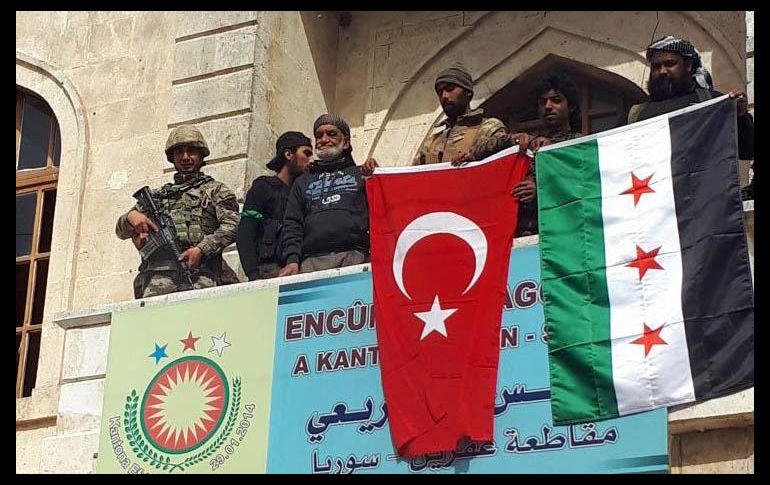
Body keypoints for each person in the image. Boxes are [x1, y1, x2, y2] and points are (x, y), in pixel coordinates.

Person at [116, 125, 240, 298]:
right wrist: (131, 218)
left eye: (191, 152)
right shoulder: (157, 197)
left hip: (200, 274)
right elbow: (120, 231)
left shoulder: (215, 190)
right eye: (179, 152)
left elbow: (233, 225)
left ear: (201, 155)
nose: (185, 157)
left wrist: (201, 249)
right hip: (158, 277)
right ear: (172, 157)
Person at [629, 35, 753, 190]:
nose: (662, 71)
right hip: (657, 203)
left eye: (670, 64)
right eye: (656, 66)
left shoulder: (711, 102)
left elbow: (748, 150)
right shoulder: (638, 114)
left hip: (704, 203)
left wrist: (740, 117)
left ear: (688, 65)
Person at [278, 114, 370, 276]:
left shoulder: (361, 175)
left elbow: (380, 217)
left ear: (346, 141)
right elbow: (293, 224)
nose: (324, 139)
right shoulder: (302, 182)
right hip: (311, 263)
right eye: (319, 135)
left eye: (331, 134)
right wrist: (292, 260)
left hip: (355, 258)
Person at [510, 72, 584, 236]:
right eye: (542, 102)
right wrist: (512, 140)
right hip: (521, 237)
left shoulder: (579, 145)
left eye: (556, 101)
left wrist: (541, 189)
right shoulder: (528, 145)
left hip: (563, 234)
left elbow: (583, 186)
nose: (548, 106)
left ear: (570, 106)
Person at [236, 132, 313, 280]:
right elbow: (245, 233)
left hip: (300, 268)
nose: (311, 160)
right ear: (289, 154)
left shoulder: (304, 193)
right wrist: (254, 276)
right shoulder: (264, 187)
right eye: (306, 153)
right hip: (269, 271)